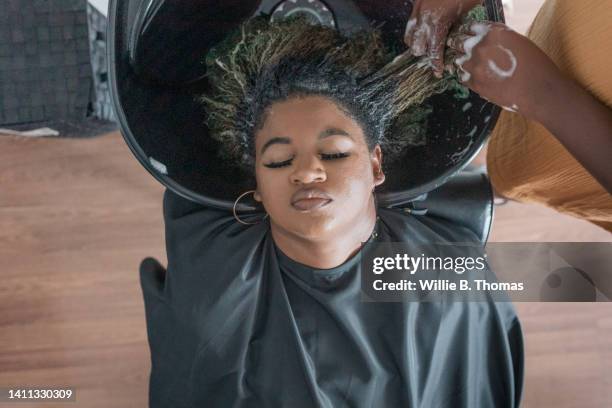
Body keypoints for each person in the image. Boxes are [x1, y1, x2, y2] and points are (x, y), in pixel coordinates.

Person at [139, 14, 523, 408]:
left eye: (334, 153)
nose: (306, 172)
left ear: (376, 165)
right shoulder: (216, 292)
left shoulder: (450, 290)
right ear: (254, 185)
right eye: (277, 161)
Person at [405, 0, 612, 231]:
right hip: (564, 43)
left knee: (523, 172)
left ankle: (500, 186)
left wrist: (548, 96)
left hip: (583, 154)